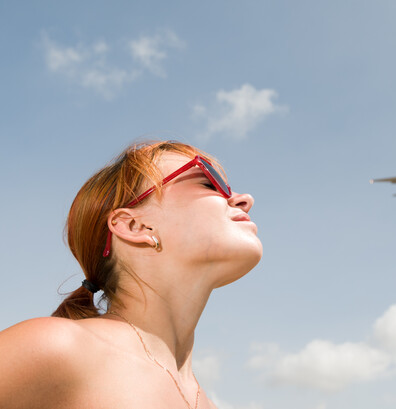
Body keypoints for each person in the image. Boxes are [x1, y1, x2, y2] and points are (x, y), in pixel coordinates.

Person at [0, 141, 262, 408]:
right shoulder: (55, 348)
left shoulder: (206, 402)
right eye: (208, 182)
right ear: (135, 225)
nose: (244, 199)